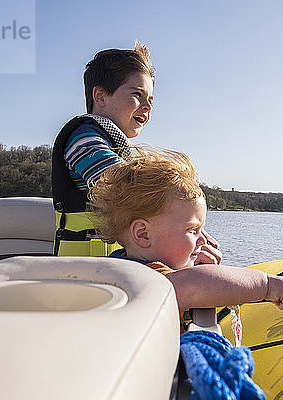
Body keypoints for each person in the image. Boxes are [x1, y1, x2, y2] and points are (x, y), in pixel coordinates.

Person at [88, 148, 283, 322]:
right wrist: (267, 285)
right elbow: (191, 285)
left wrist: (193, 264)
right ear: (143, 234)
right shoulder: (147, 278)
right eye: (192, 230)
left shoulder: (124, 262)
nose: (203, 240)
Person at [52, 42, 222, 262]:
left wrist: (192, 235)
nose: (148, 106)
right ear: (101, 96)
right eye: (137, 94)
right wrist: (186, 229)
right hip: (80, 276)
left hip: (113, 269)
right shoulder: (83, 139)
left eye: (150, 100)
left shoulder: (119, 147)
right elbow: (126, 185)